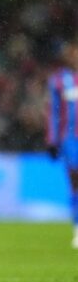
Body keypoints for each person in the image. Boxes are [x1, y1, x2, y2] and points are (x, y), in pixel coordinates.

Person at [47, 40, 78, 249]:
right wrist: (52, 140)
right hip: (71, 139)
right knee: (75, 183)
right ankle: (77, 229)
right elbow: (53, 111)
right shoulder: (59, 80)